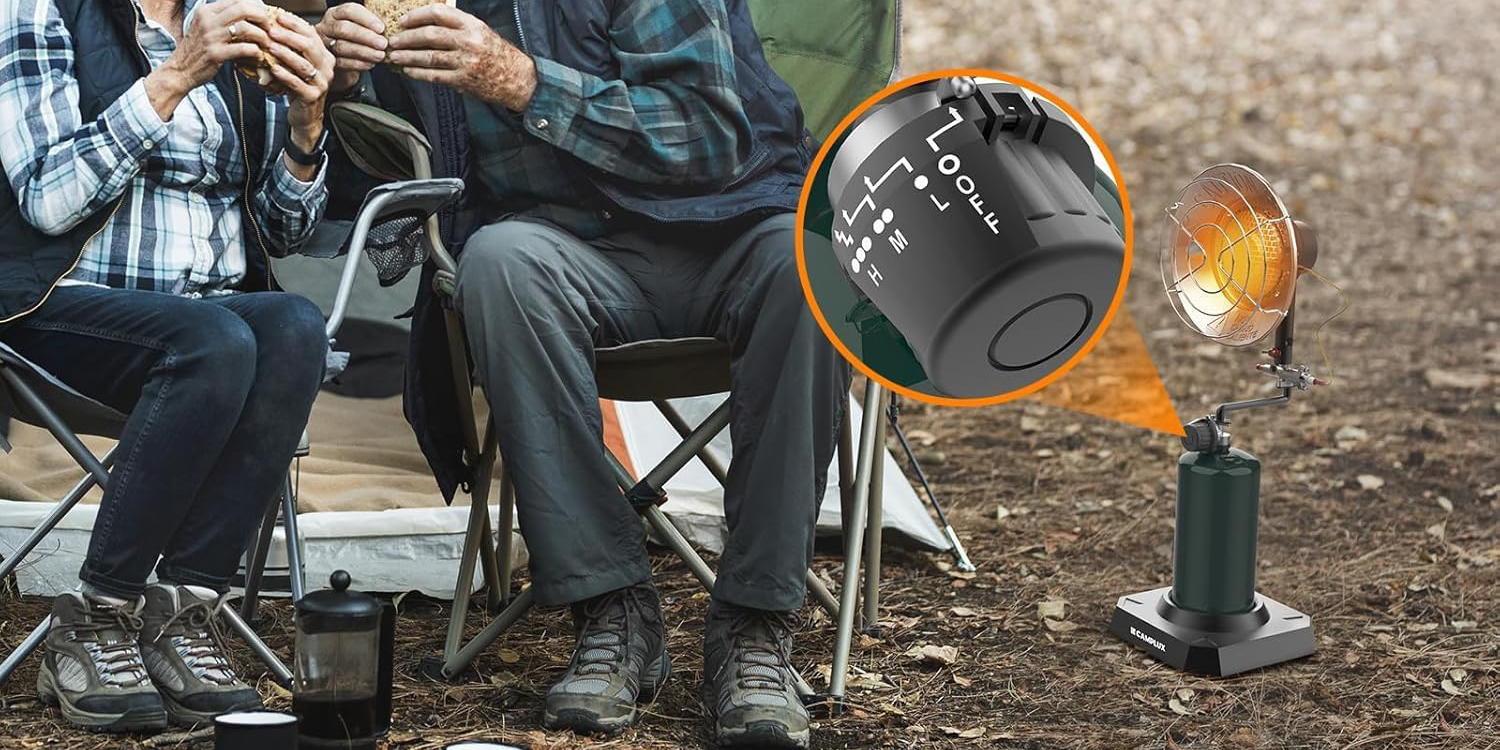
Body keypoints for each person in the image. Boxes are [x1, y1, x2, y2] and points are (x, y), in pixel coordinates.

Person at [317, 0, 847, 746]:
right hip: (573, 256)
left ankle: (757, 627)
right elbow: (357, 202)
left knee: (810, 264)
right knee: (498, 263)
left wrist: (521, 81)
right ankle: (612, 610)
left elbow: (709, 136)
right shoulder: (424, 13)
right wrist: (339, 86)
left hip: (730, 232)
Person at [0, 0, 334, 732]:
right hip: (59, 304)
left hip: (211, 321)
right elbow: (47, 200)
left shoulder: (234, 20)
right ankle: (94, 618)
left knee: (295, 327)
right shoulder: (39, 12)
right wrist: (179, 75)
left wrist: (308, 126)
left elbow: (281, 233)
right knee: (215, 338)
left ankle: (183, 613)